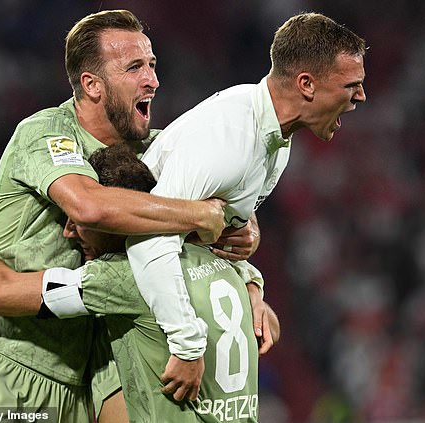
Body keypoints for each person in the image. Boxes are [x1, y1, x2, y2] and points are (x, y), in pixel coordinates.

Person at [0, 10, 229, 422]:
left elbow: (234, 212)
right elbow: (88, 206)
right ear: (92, 85)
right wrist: (198, 214)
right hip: (6, 363)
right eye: (134, 68)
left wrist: (248, 264)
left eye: (152, 65)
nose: (152, 80)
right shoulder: (45, 132)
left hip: (84, 381)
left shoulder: (157, 149)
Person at [126, 11, 367, 396]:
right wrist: (187, 346)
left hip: (160, 304)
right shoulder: (230, 137)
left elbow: (214, 240)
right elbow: (147, 243)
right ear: (306, 84)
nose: (360, 96)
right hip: (131, 312)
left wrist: (249, 284)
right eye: (351, 85)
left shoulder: (275, 141)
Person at [0, 144, 280, 422]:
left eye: (83, 220)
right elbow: (267, 321)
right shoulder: (219, 259)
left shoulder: (124, 275)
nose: (69, 231)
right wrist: (256, 290)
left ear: (116, 218)